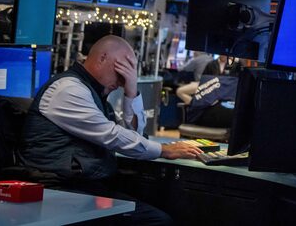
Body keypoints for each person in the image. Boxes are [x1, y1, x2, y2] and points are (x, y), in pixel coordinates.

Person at [18, 35, 202, 225]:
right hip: (57, 190)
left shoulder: (93, 92)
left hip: (81, 186)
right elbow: (112, 136)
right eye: (122, 69)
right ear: (102, 58)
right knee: (157, 221)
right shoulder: (68, 89)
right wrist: (164, 150)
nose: (124, 78)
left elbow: (134, 135)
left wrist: (131, 91)